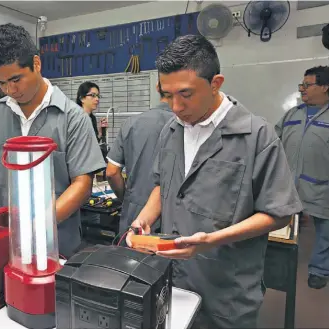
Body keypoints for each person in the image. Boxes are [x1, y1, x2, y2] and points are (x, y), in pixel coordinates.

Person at [126, 35, 303, 328]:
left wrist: (210, 241)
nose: (175, 106)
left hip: (225, 292)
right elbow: (163, 186)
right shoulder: (172, 131)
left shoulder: (257, 136)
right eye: (167, 95)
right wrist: (142, 220)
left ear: (216, 83)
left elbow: (279, 213)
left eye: (185, 94)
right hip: (172, 281)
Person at [0, 23, 106, 258]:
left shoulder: (73, 118)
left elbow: (82, 184)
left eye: (16, 79)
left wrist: (39, 223)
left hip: (57, 244)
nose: (10, 90)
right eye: (0, 83)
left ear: (36, 64)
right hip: (4, 240)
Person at [275, 65, 329, 289]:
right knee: (282, 227)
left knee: (326, 230)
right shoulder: (292, 114)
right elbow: (274, 139)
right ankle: (279, 267)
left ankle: (319, 270)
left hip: (322, 186)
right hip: (290, 185)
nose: (302, 90)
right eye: (302, 85)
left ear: (325, 87)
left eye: (308, 85)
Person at [106, 82, 173, 232]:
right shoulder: (187, 125)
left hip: (134, 214)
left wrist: (126, 198)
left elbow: (111, 172)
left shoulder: (132, 123)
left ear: (157, 87)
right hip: (172, 218)